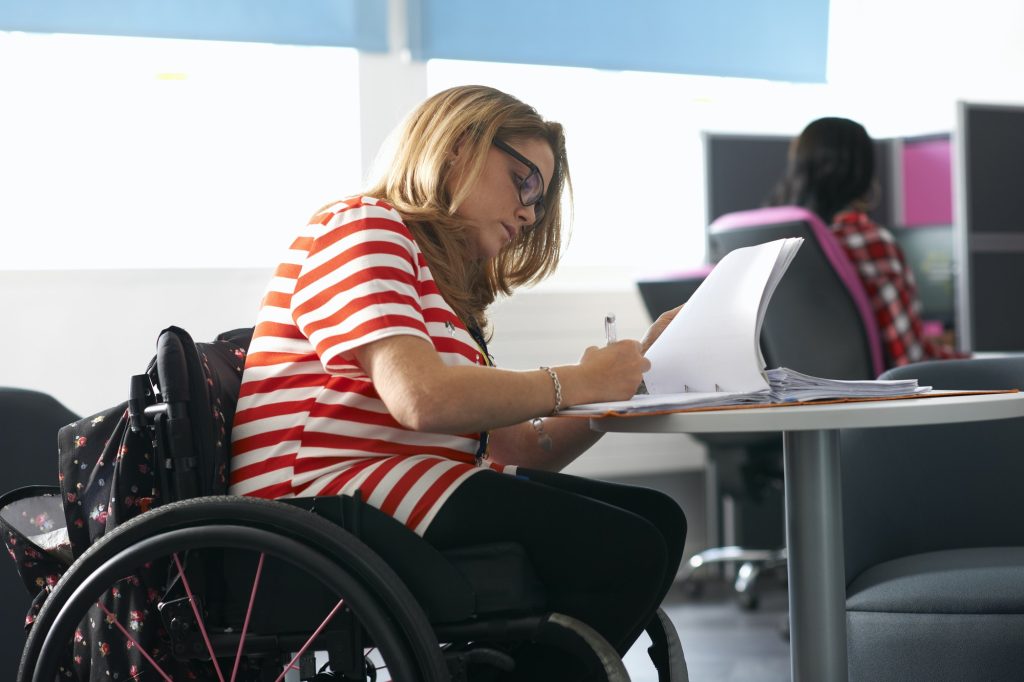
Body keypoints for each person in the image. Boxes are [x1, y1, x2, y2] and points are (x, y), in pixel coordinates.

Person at [228, 85, 685, 680]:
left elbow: (514, 446)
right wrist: (577, 380)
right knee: (624, 547)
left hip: (394, 487)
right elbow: (420, 397)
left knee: (660, 522)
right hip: (316, 501)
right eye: (525, 183)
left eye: (540, 201)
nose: (529, 212)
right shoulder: (363, 226)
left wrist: (624, 386)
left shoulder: (437, 285)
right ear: (457, 148)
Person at [770, 116, 964, 368]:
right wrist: (976, 362)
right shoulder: (868, 241)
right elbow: (911, 361)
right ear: (863, 173)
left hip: (790, 397)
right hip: (874, 400)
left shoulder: (774, 242)